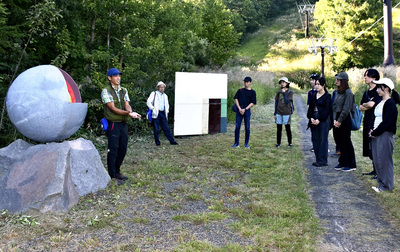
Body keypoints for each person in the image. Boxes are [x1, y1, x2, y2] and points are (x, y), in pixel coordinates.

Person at [101, 68, 141, 185]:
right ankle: (112, 174)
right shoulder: (106, 91)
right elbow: (112, 108)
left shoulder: (124, 90)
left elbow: (127, 104)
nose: (118, 78)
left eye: (119, 75)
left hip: (123, 123)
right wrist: (129, 114)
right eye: (115, 76)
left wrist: (130, 111)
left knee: (123, 149)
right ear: (110, 78)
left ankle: (117, 171)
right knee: (113, 149)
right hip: (113, 123)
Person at [369, 78, 400, 192]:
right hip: (377, 134)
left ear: (386, 88)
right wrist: (371, 130)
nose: (377, 90)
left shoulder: (390, 103)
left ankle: (387, 186)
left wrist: (375, 132)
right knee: (377, 160)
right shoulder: (380, 102)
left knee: (384, 160)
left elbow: (387, 122)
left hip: (384, 134)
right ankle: (381, 184)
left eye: (379, 87)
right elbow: (375, 118)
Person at [359, 69, 382, 178]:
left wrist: (367, 104)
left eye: (367, 76)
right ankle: (374, 170)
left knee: (375, 146)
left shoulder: (378, 90)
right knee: (369, 147)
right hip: (367, 120)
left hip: (375, 121)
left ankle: (379, 172)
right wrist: (367, 104)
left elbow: (372, 105)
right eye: (365, 76)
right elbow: (360, 107)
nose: (365, 77)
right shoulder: (366, 93)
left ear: (374, 78)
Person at [332, 72, 356, 172]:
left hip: (345, 119)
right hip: (337, 118)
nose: (336, 81)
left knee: (346, 141)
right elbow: (334, 106)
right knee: (340, 141)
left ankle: (350, 164)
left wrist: (340, 120)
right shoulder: (337, 92)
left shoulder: (348, 93)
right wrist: (334, 119)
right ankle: (342, 162)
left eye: (339, 80)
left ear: (343, 81)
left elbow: (346, 108)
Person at [307, 77, 331, 167]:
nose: (316, 86)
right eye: (316, 84)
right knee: (315, 139)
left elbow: (327, 110)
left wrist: (319, 119)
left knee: (323, 139)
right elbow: (310, 108)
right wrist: (311, 118)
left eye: (318, 84)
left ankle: (323, 160)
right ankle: (318, 159)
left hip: (323, 120)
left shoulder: (327, 96)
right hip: (314, 117)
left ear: (323, 85)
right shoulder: (314, 95)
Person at [147, 81, 178, 146]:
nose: (162, 88)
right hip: (156, 113)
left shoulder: (165, 96)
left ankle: (172, 141)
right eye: (160, 87)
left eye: (163, 87)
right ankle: (157, 142)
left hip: (163, 113)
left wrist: (167, 111)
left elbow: (167, 105)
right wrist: (153, 109)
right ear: (158, 88)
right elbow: (148, 102)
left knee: (166, 128)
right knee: (156, 129)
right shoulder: (154, 93)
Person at [232, 76, 257, 149]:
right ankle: (236, 143)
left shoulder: (253, 92)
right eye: (245, 82)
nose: (245, 83)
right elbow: (236, 98)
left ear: (250, 83)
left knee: (247, 127)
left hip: (247, 110)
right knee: (237, 127)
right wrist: (239, 108)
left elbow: (253, 102)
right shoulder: (240, 90)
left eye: (247, 82)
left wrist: (245, 109)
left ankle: (246, 143)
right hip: (239, 109)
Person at [274, 77, 294, 148]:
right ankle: (278, 143)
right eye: (281, 82)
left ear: (287, 83)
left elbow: (287, 101)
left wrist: (284, 93)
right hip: (279, 112)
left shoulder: (290, 92)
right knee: (279, 128)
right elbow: (276, 102)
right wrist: (275, 113)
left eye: (284, 82)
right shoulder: (279, 92)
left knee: (287, 128)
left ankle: (290, 143)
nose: (282, 83)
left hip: (286, 112)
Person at [308, 74, 319, 152]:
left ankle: (323, 146)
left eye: (313, 80)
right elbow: (309, 104)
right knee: (313, 131)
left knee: (321, 131)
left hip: (320, 113)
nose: (311, 81)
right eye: (311, 80)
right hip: (313, 113)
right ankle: (314, 146)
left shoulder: (322, 91)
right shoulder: (310, 92)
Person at [330, 89, 341, 158]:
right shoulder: (335, 92)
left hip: (341, 117)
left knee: (341, 135)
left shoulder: (347, 92)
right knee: (336, 135)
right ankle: (338, 150)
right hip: (334, 116)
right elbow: (332, 103)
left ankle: (340, 150)